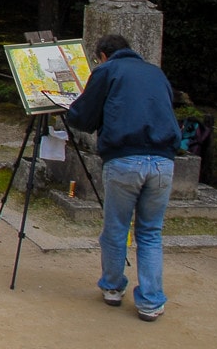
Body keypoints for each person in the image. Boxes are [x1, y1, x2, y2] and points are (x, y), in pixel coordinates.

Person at [64, 34, 181, 322]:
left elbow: (82, 117)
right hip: (164, 160)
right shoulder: (156, 72)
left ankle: (113, 288)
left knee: (116, 227)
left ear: (103, 55)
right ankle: (151, 302)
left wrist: (69, 108)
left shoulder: (107, 71)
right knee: (150, 232)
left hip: (124, 158)